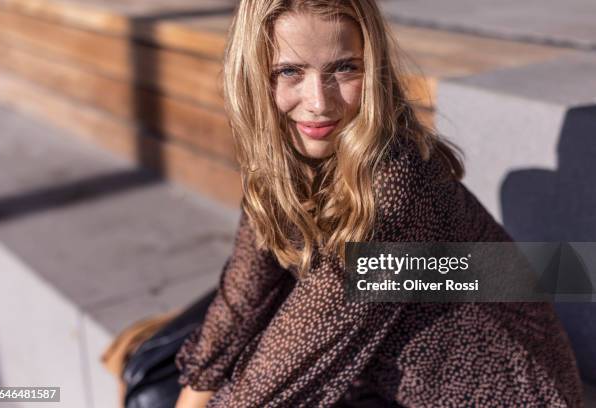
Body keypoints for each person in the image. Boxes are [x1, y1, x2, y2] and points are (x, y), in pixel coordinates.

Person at [174, 0, 584, 406]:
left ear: (374, 69)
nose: (319, 101)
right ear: (252, 74)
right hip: (386, 381)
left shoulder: (395, 184)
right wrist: (192, 392)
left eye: (345, 67)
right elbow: (241, 297)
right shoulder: (277, 160)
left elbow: (293, 360)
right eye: (289, 71)